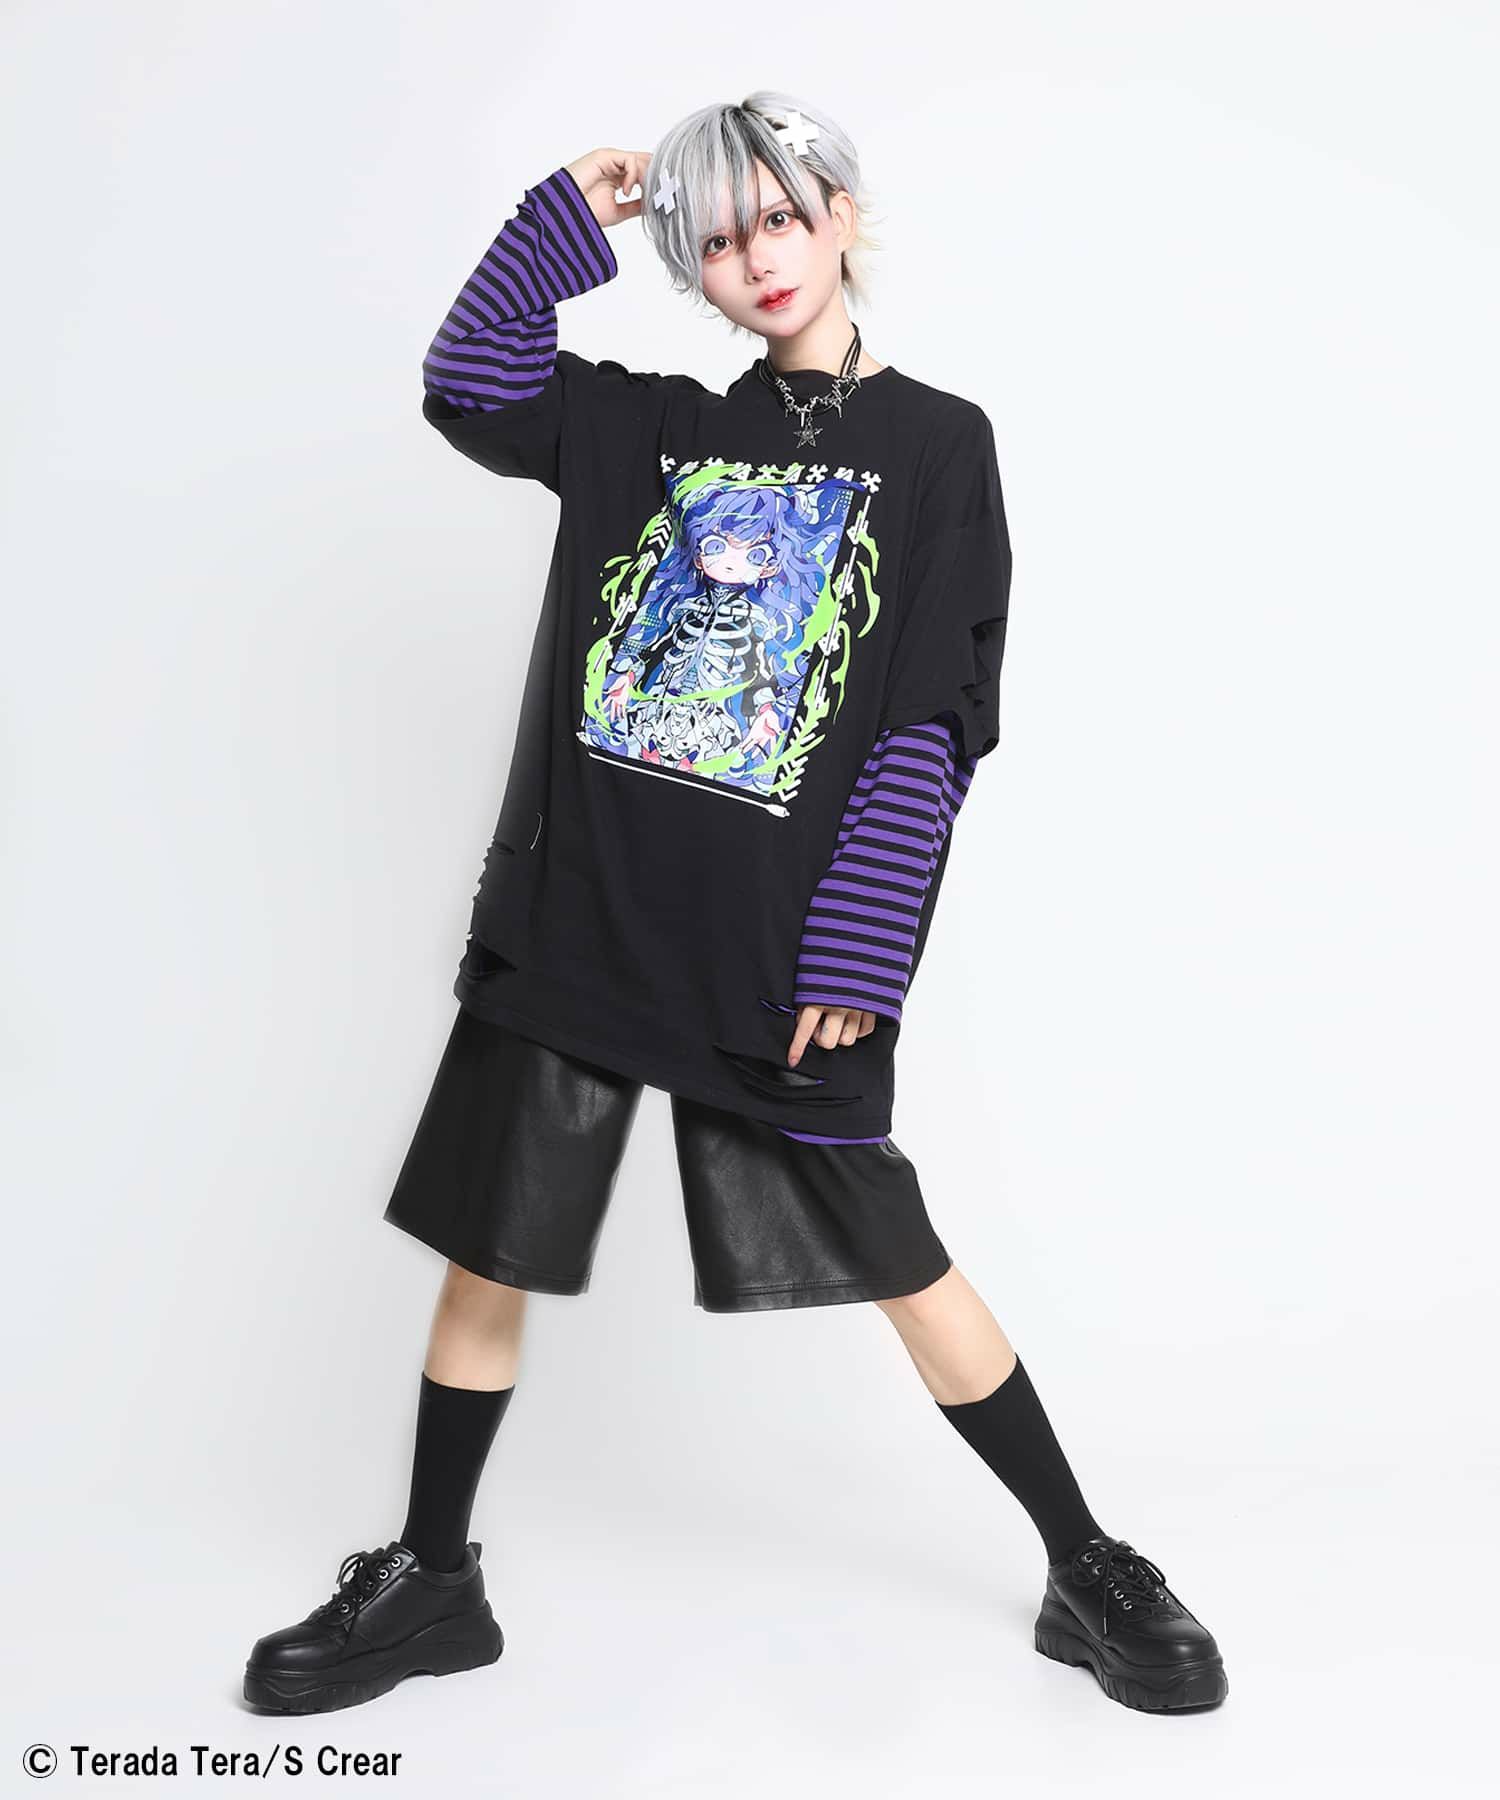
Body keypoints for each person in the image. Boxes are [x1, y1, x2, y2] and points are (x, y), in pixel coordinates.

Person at [242, 92, 1227, 1719]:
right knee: (489, 1250)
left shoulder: (940, 446)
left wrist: (863, 942)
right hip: (582, 917)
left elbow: (934, 713)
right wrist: (565, 214)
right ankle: (432, 1577)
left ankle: (1087, 1565)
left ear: (841, 216)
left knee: (902, 1260)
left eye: (779, 216)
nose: (754, 257)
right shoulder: (643, 430)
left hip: (777, 952)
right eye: (713, 238)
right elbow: (470, 381)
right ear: (688, 272)